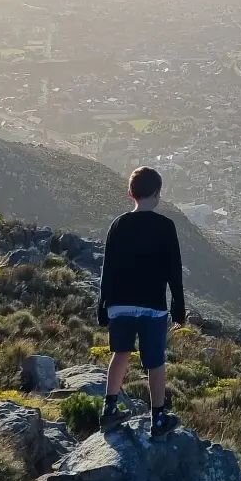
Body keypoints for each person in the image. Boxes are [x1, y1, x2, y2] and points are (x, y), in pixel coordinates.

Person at [97, 165, 186, 436]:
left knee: (120, 353)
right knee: (155, 362)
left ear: (130, 193)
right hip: (152, 306)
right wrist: (178, 306)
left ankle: (109, 409)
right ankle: (157, 418)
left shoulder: (119, 224)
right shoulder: (165, 226)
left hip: (120, 304)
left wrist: (102, 304)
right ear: (158, 193)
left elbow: (108, 267)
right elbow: (174, 269)